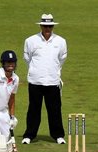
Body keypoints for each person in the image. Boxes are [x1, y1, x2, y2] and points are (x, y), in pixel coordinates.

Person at [21, 13, 68, 144]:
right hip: (35, 81)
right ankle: (29, 135)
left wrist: (52, 71)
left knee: (55, 109)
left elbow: (61, 59)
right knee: (34, 109)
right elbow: (27, 59)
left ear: (53, 26)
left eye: (50, 26)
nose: (47, 28)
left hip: (53, 81)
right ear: (41, 26)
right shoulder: (30, 41)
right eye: (45, 26)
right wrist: (37, 70)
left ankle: (58, 135)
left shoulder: (60, 41)